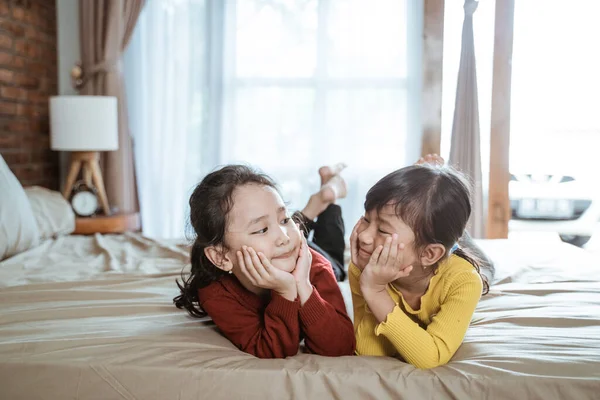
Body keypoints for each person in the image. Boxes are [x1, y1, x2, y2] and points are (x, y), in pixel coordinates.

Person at [174, 164, 355, 358]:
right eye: (261, 230)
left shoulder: (314, 266)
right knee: (283, 234)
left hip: (309, 254)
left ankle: (328, 197)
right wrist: (285, 291)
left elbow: (340, 347)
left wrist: (303, 285)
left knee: (334, 261)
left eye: (285, 219)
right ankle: (314, 204)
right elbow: (272, 350)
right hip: (278, 254)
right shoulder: (216, 292)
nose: (284, 236)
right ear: (221, 257)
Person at [350, 155, 494, 369]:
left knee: (487, 270)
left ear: (428, 254)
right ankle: (443, 228)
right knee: (431, 228)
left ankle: (456, 236)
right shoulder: (365, 266)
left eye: (382, 229)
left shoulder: (464, 281)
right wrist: (371, 285)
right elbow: (369, 351)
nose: (364, 237)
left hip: (453, 263)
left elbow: (430, 357)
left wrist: (376, 292)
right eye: (365, 220)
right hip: (431, 250)